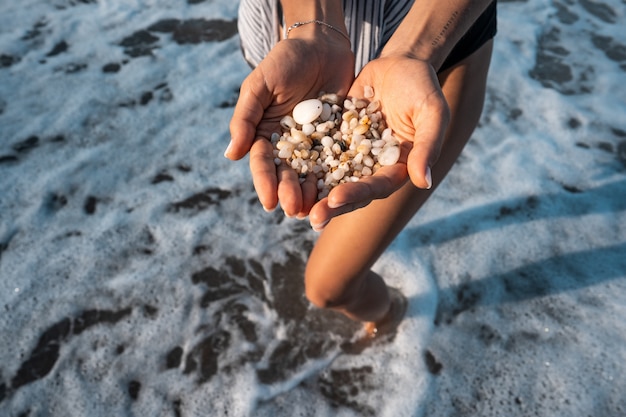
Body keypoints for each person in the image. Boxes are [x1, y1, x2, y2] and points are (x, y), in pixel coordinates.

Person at [226, 0, 497, 336]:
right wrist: (313, 26)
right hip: (287, 25)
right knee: (319, 206)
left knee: (329, 286)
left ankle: (393, 320)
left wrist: (412, 52)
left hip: (436, 34)